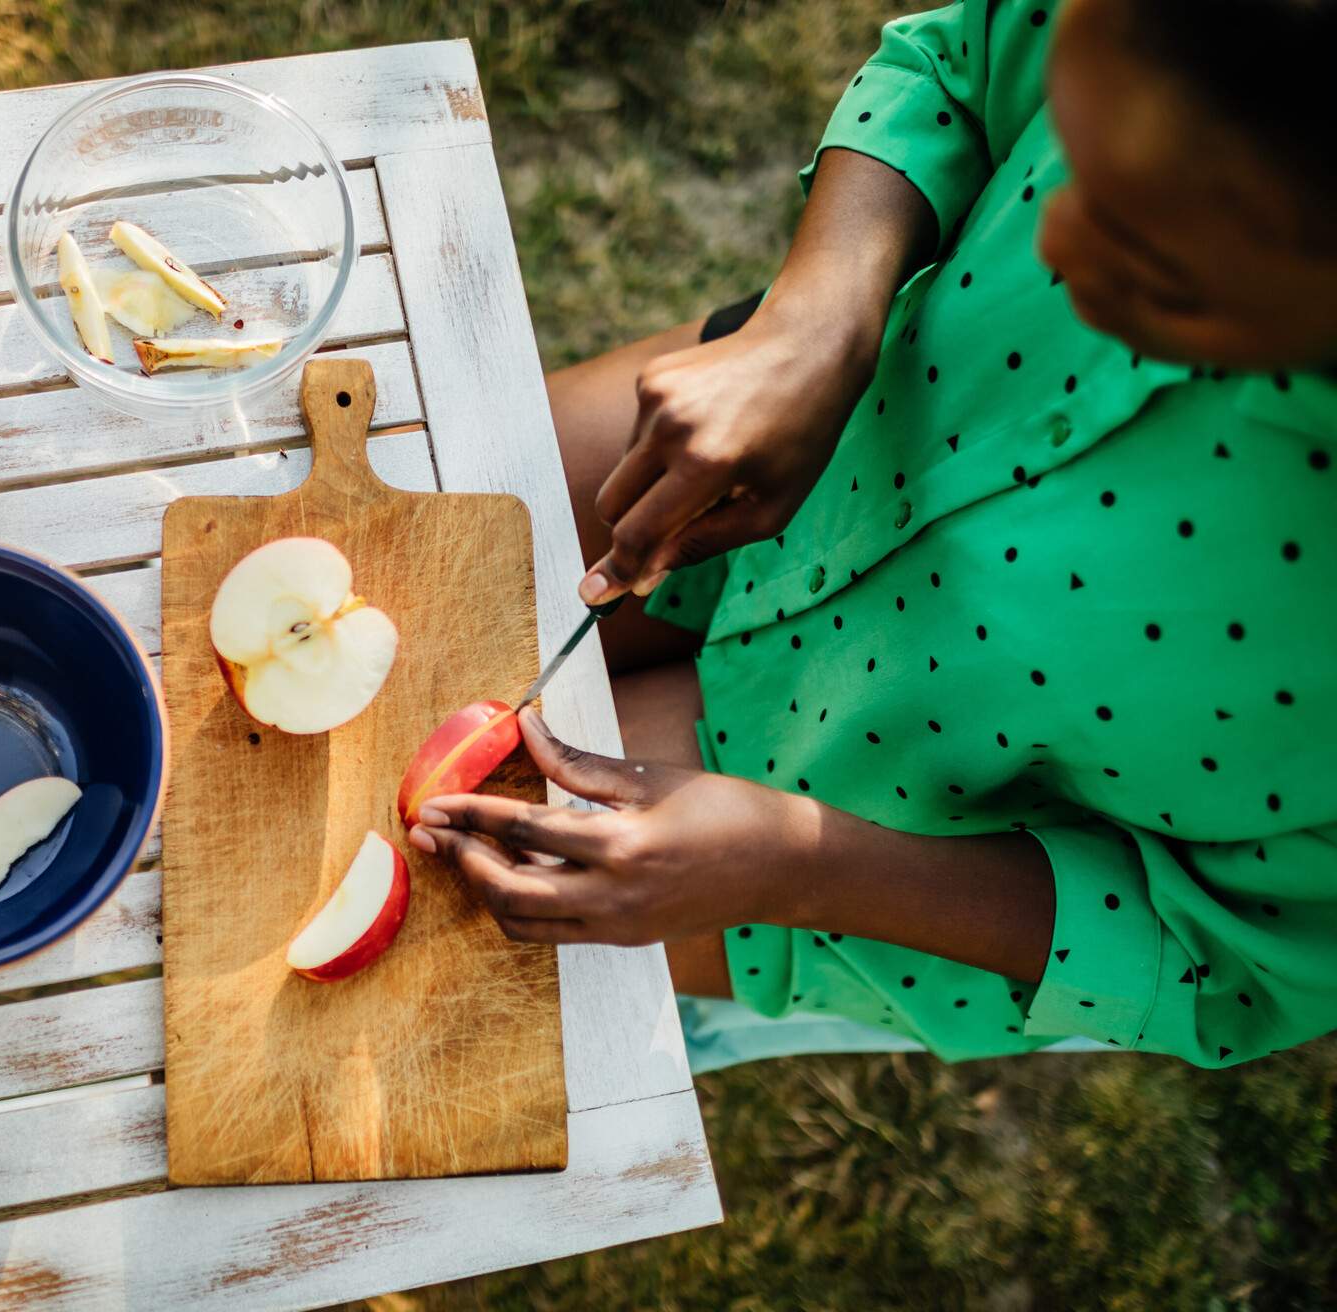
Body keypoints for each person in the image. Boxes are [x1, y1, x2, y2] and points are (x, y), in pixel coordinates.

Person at [406, 0, 1337, 1067]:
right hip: (805, 440)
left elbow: (1232, 964)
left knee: (448, 916)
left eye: (1159, 270)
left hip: (868, 803)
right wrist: (820, 315)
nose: (1052, 242)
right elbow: (957, 54)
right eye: (1062, 159)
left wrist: (796, 870)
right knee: (408, 569)